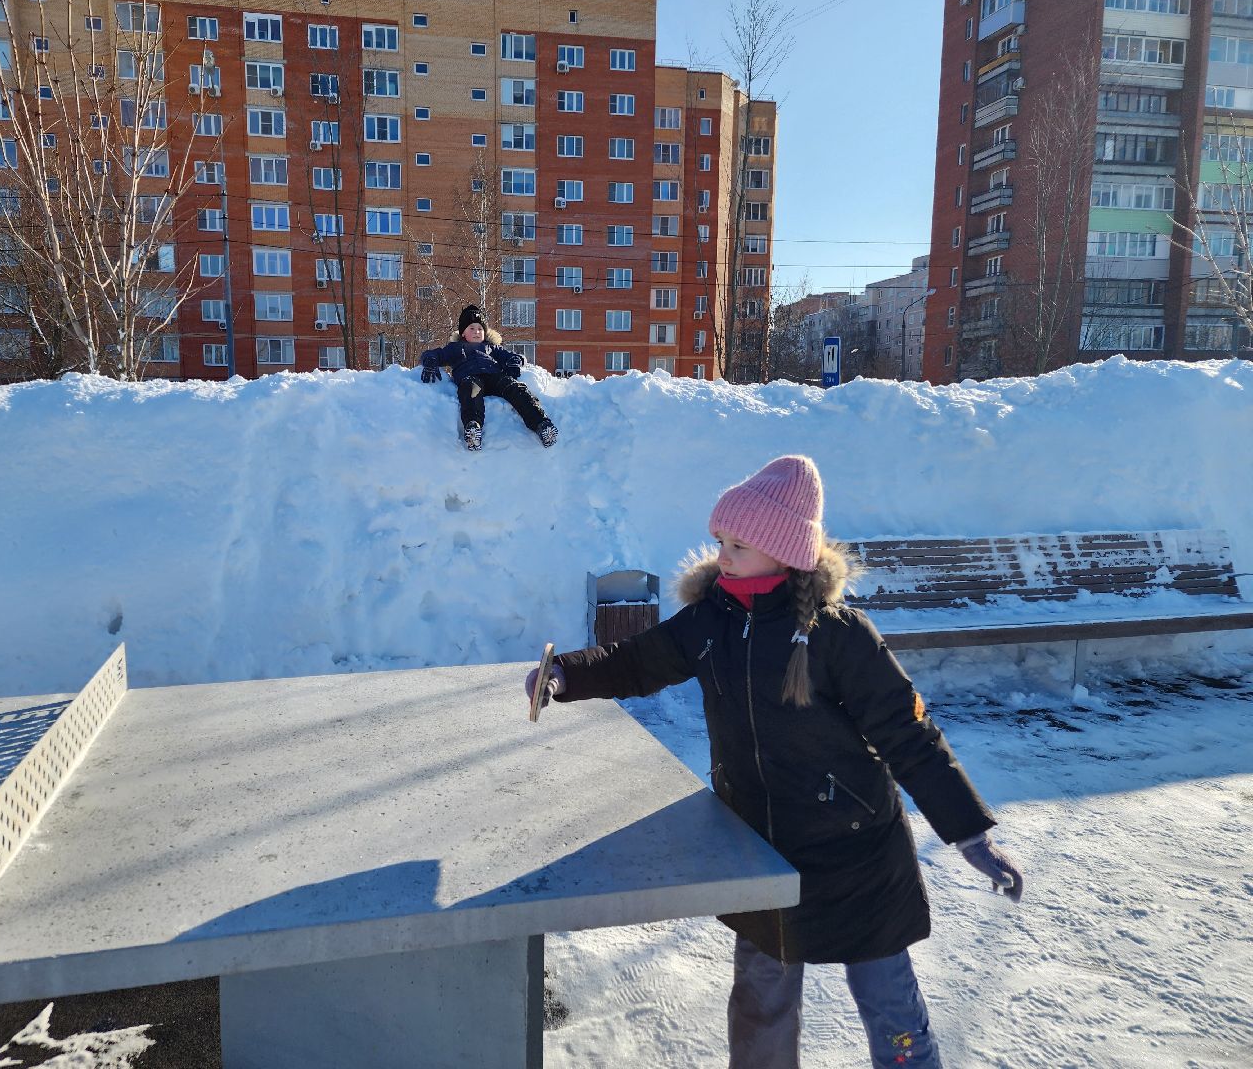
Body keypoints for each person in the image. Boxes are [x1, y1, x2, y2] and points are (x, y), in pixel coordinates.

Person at [525, 455, 1023, 1068]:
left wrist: (969, 832)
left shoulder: (838, 634)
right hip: (760, 848)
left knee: (888, 1002)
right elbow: (637, 661)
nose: (723, 555)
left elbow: (908, 734)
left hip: (858, 852)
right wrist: (565, 676)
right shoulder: (710, 622)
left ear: (785, 552)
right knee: (761, 1003)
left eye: (740, 543)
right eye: (721, 540)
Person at [421, 304, 557, 451]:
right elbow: (434, 354)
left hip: (494, 376)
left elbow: (513, 356)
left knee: (515, 388)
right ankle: (473, 428)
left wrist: (514, 362)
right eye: (471, 328)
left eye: (480, 329)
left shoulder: (491, 348)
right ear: (463, 333)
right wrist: (430, 361)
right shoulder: (454, 348)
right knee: (470, 391)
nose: (476, 332)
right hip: (470, 377)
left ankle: (542, 424)